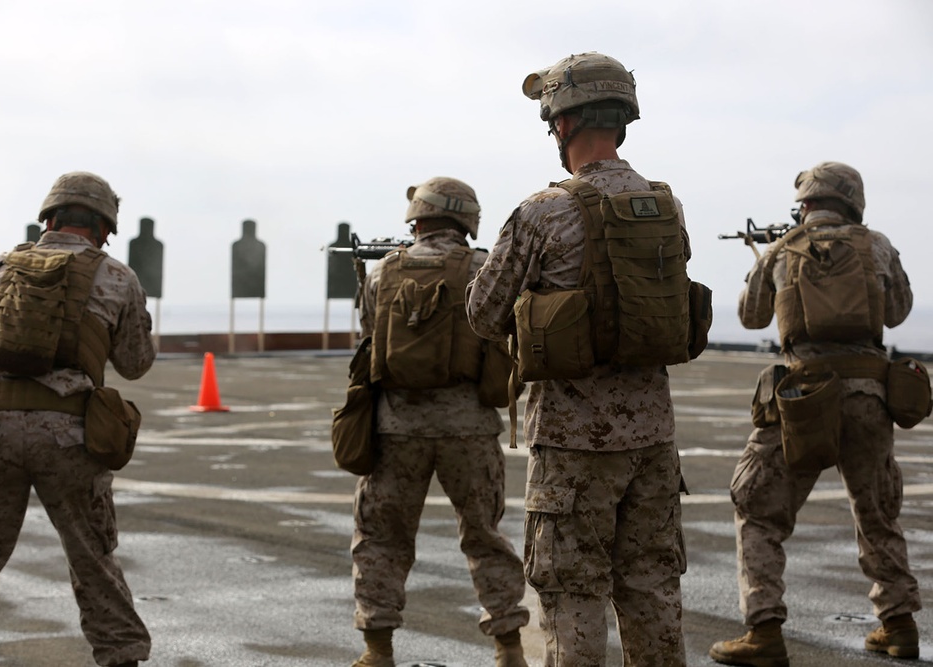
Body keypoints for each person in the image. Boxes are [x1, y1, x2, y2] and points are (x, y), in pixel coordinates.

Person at [466, 52, 691, 666]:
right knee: (653, 588)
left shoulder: (543, 211)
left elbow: (483, 313)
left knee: (572, 595)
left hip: (573, 445)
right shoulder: (666, 206)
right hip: (653, 440)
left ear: (560, 123)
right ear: (622, 120)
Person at [0, 172, 155, 667]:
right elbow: (136, 362)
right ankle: (121, 658)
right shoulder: (117, 276)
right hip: (69, 437)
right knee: (93, 559)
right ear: (103, 228)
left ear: (49, 218)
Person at [708, 161, 921, 665]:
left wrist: (768, 261)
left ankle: (763, 631)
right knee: (877, 513)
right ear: (853, 202)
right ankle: (899, 626)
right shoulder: (878, 246)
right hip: (870, 397)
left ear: (806, 203)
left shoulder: (784, 250)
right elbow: (899, 310)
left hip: (805, 400)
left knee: (758, 510)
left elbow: (751, 315)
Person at [350, 177, 530, 667]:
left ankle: (377, 648)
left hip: (396, 428)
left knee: (383, 537)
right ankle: (508, 647)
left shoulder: (382, 272)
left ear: (418, 217)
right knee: (485, 536)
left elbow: (368, 340)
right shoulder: (482, 268)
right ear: (467, 220)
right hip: (469, 426)